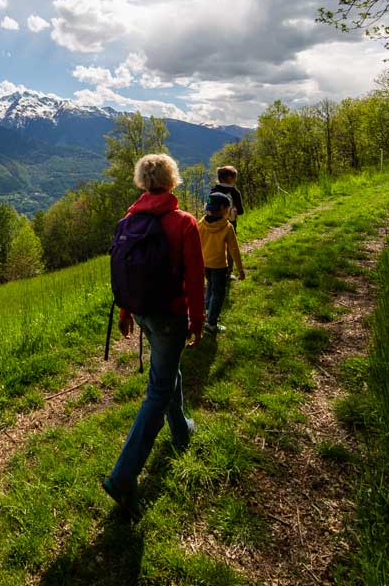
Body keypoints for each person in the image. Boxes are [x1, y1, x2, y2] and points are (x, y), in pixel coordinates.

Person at [103, 153, 206, 517]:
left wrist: (126, 312)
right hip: (170, 316)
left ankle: (181, 432)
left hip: (143, 312)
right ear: (173, 180)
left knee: (166, 370)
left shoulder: (128, 220)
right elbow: (196, 280)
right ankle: (123, 476)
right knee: (157, 393)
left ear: (141, 182)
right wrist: (197, 321)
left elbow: (125, 272)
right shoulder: (184, 223)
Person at [200, 199, 245, 334]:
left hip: (204, 264)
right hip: (219, 266)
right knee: (218, 293)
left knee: (210, 287)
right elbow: (234, 249)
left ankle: (207, 313)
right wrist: (240, 269)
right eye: (228, 207)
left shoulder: (201, 224)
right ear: (222, 209)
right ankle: (211, 323)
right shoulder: (227, 227)